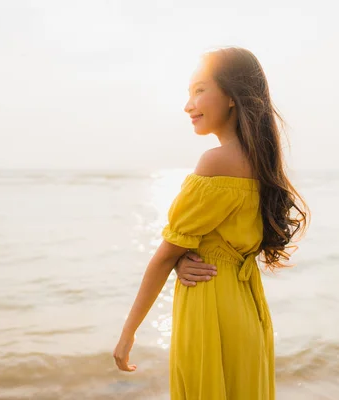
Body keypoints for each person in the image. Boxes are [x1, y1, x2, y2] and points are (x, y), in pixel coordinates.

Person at [112, 46, 309, 400]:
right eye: (188, 92)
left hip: (211, 308)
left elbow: (164, 254)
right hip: (247, 309)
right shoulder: (262, 164)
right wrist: (179, 262)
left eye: (200, 90)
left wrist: (128, 334)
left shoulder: (215, 162)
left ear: (232, 96)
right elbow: (221, 244)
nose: (189, 105)